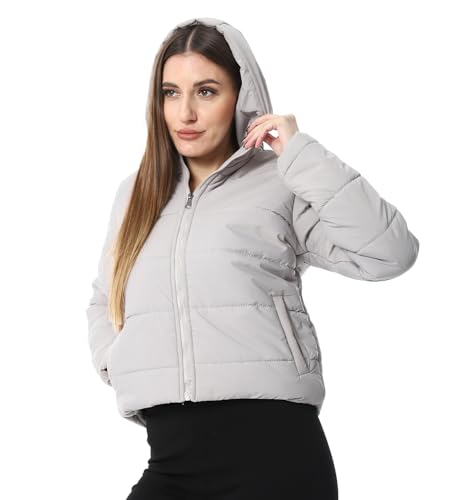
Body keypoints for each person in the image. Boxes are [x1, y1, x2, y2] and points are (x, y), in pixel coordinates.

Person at [86, 17, 419, 500]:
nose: (185, 113)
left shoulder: (281, 181)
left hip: (275, 459)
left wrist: (300, 154)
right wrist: (117, 363)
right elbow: (105, 298)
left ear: (240, 97)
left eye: (206, 91)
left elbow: (390, 253)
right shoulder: (136, 193)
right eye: (170, 93)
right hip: (171, 461)